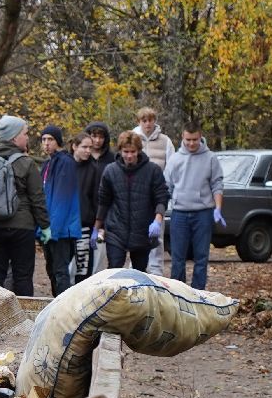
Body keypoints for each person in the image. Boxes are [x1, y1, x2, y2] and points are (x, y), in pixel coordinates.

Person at [0, 114, 48, 295]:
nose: (27, 137)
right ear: (15, 137)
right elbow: (37, 198)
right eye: (25, 133)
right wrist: (45, 226)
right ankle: (24, 317)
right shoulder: (26, 163)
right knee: (22, 275)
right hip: (21, 228)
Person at [95, 130, 168, 272]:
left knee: (139, 272)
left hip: (142, 229)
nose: (129, 156)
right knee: (114, 270)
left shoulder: (152, 170)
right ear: (120, 151)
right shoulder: (110, 171)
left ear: (139, 151)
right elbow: (104, 201)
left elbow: (161, 196)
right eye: (126, 151)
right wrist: (97, 227)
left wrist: (158, 220)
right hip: (116, 229)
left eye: (133, 152)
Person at [163, 124, 225, 290]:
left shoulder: (210, 158)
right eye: (188, 140)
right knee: (177, 257)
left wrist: (217, 208)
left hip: (203, 213)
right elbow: (166, 187)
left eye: (195, 140)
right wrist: (159, 212)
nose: (191, 143)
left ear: (201, 138)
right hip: (179, 214)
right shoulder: (175, 159)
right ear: (183, 138)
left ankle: (198, 292)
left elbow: (217, 184)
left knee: (201, 256)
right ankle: (177, 291)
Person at [38, 125, 82, 295]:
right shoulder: (47, 164)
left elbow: (61, 200)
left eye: (50, 139)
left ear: (58, 142)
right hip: (50, 227)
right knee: (52, 270)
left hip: (62, 230)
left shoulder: (65, 163)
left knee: (60, 271)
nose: (46, 143)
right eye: (43, 140)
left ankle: (62, 306)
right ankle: (55, 303)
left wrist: (53, 230)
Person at [134, 108, 175, 272]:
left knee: (156, 235)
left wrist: (164, 188)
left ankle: (157, 270)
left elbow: (171, 167)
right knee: (137, 234)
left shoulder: (165, 141)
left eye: (150, 120)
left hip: (157, 194)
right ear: (139, 122)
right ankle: (136, 269)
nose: (147, 124)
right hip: (136, 194)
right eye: (144, 121)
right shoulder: (132, 138)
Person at [72, 132, 105, 283]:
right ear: (74, 147)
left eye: (90, 148)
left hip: (85, 224)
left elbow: (97, 199)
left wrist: (98, 225)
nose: (87, 151)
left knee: (82, 267)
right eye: (84, 147)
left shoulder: (94, 169)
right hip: (66, 224)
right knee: (64, 267)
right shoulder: (66, 166)